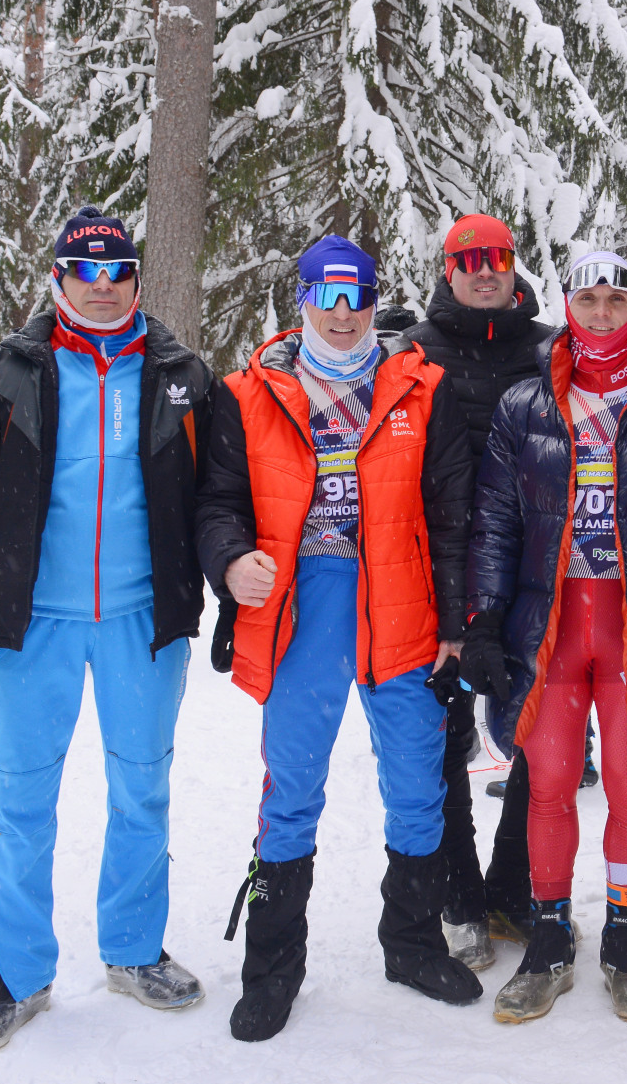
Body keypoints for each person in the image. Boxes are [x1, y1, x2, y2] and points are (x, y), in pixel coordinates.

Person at [0, 206, 215, 1055]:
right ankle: (15, 972)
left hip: (142, 621)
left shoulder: (180, 374)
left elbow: (220, 493)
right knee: (19, 802)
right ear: (60, 278)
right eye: (87, 272)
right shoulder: (8, 373)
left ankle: (134, 948)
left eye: (118, 272)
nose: (103, 286)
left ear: (136, 279)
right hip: (30, 619)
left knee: (142, 790)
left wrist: (229, 588)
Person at [199, 234, 481, 1042]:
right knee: (291, 787)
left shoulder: (420, 387)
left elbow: (453, 516)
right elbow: (217, 502)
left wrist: (456, 626)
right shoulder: (250, 393)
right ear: (303, 300)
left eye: (358, 296)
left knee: (417, 780)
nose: (344, 312)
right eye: (328, 295)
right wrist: (231, 558)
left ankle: (413, 942)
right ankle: (272, 967)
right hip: (305, 606)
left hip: (401, 601)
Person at [463, 248, 627, 1026]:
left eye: (616, 299)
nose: (602, 312)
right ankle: (548, 939)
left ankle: (626, 940)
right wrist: (483, 620)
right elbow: (495, 522)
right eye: (588, 298)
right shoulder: (526, 403)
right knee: (546, 782)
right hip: (551, 624)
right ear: (568, 307)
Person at [400, 213, 558, 971]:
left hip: (530, 574)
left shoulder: (548, 348)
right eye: (469, 260)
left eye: (497, 256)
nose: (485, 269)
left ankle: (510, 886)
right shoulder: (415, 351)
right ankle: (460, 894)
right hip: (435, 571)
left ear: (514, 262)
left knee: (536, 732)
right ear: (448, 269)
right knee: (443, 738)